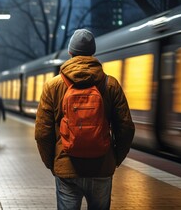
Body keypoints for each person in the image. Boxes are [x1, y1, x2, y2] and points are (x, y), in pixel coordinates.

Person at [35, 29, 135, 210]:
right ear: (92, 53)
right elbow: (126, 128)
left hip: (66, 167)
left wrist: (52, 163)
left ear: (70, 52)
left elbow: (42, 133)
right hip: (102, 167)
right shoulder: (110, 84)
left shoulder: (53, 85)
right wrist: (114, 159)